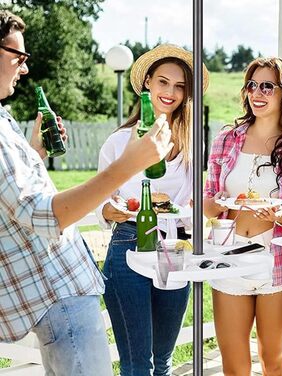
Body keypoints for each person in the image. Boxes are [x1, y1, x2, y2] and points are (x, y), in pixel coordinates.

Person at [0, 10, 173, 376]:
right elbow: (43, 215)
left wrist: (35, 153)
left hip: (57, 291)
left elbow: (15, 199)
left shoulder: (4, 119)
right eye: (19, 56)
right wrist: (129, 164)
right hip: (57, 292)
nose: (25, 68)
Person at [95, 44, 209, 376]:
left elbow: (192, 203)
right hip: (129, 245)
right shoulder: (119, 142)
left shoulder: (190, 144)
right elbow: (101, 202)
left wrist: (192, 210)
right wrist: (109, 210)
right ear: (147, 83)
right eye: (163, 82)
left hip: (175, 246)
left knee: (163, 361)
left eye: (179, 86)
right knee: (136, 364)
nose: (170, 92)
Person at [203, 57, 282, 375]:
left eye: (268, 85)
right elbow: (208, 201)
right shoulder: (226, 140)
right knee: (234, 367)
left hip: (277, 266)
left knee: (273, 363)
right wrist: (219, 203)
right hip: (229, 261)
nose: (258, 92)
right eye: (252, 85)